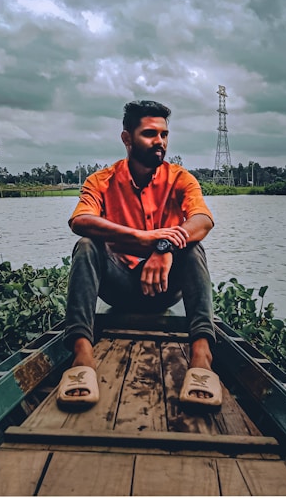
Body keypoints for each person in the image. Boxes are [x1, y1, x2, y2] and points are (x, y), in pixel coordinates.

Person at [57, 100, 221, 410]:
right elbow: (80, 221)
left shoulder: (180, 179)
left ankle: (201, 355)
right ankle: (81, 354)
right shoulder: (101, 181)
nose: (160, 142)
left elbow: (203, 220)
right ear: (127, 138)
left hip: (164, 288)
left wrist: (164, 247)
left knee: (194, 248)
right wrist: (143, 239)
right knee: (87, 245)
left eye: (164, 134)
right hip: (119, 287)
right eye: (150, 134)